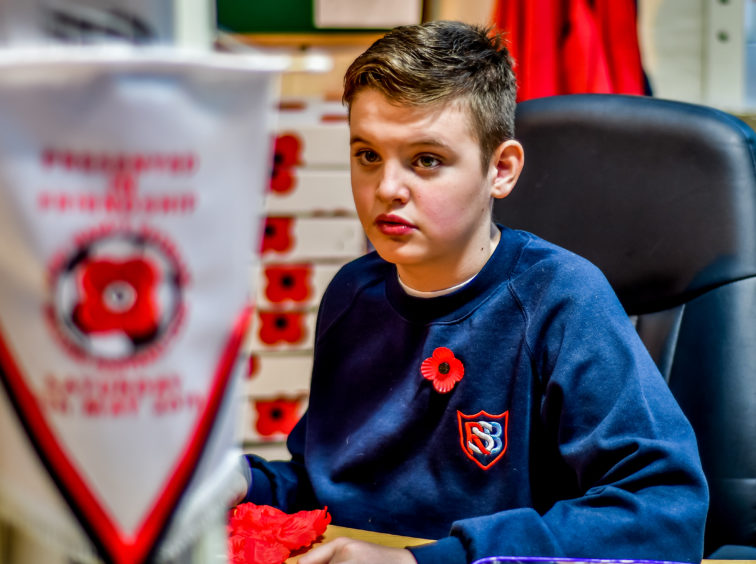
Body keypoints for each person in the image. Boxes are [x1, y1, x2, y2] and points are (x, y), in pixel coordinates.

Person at [239, 20, 709, 564]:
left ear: (501, 170)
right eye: (367, 155)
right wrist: (241, 481)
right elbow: (326, 482)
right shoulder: (352, 294)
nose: (387, 188)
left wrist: (423, 562)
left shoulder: (560, 298)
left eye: (426, 160)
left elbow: (664, 513)